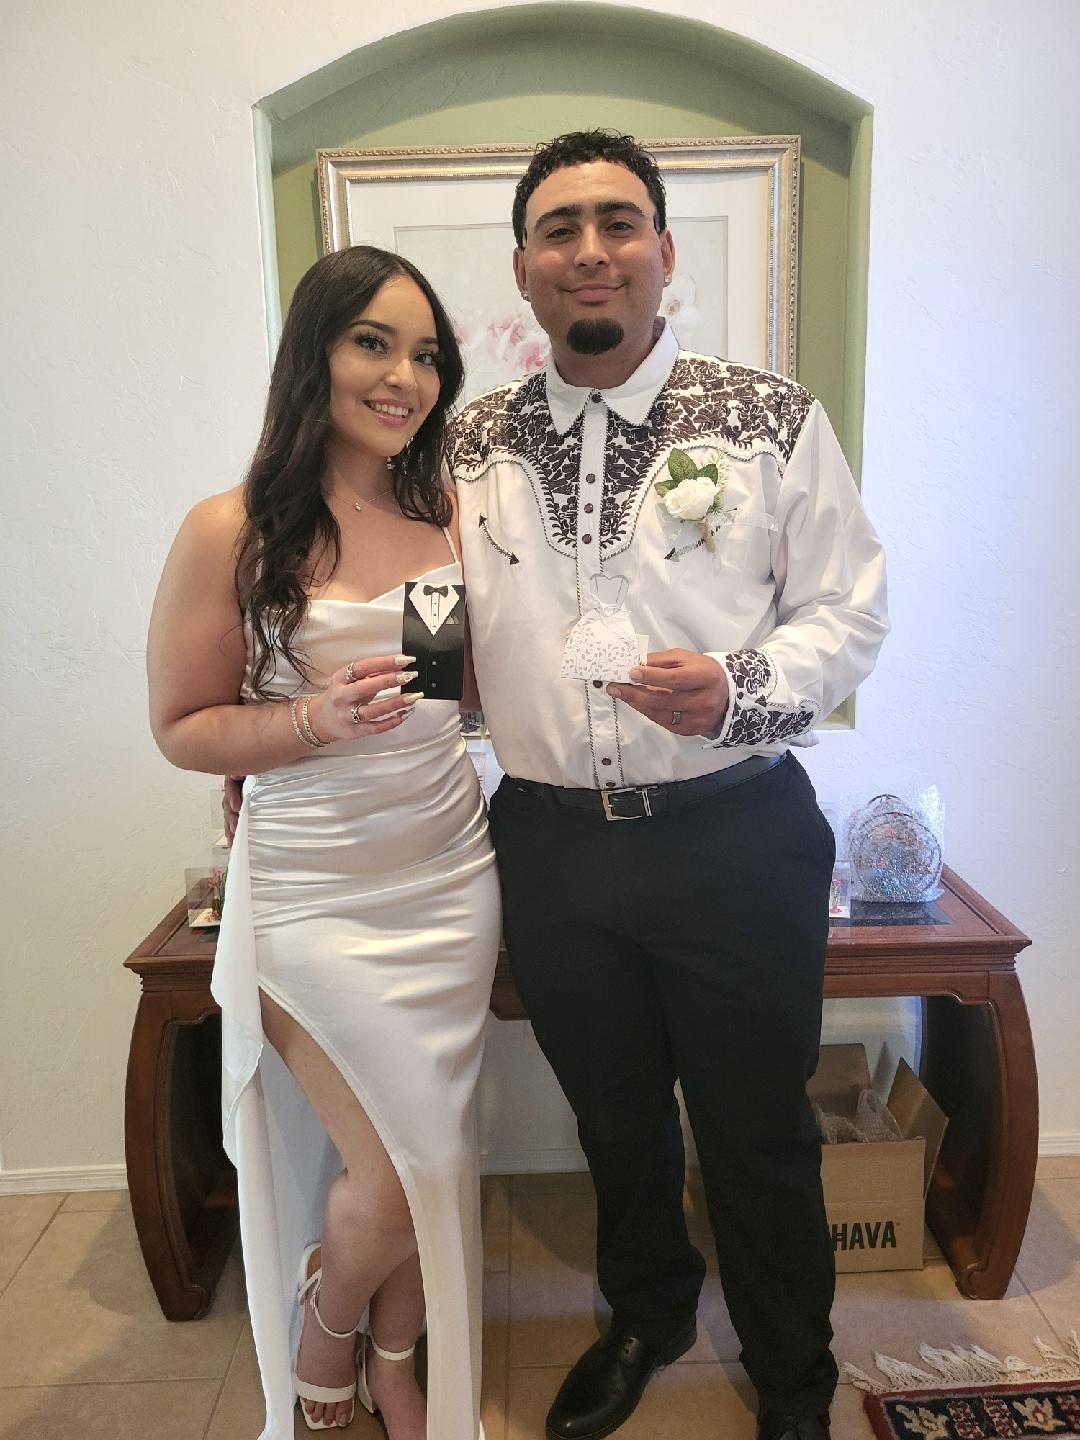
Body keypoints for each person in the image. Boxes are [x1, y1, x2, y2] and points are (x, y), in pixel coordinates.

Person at [450, 130, 890, 1440]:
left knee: (758, 1131)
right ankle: (648, 1311)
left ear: (663, 251)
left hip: (733, 836)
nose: (590, 250)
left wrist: (741, 687)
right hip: (552, 847)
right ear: (524, 268)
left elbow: (848, 611)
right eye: (560, 228)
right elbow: (416, 623)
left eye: (618, 222)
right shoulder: (465, 445)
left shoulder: (769, 418)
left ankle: (793, 1375)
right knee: (614, 1117)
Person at [148, 246, 500, 1440]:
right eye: (373, 344)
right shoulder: (231, 529)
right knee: (396, 1174)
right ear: (316, 354)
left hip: (449, 874)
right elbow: (183, 725)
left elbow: (447, 699)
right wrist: (305, 722)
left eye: (426, 355)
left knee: (436, 1156)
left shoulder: (441, 516)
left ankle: (396, 1364)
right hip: (315, 892)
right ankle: (322, 1331)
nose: (405, 377)